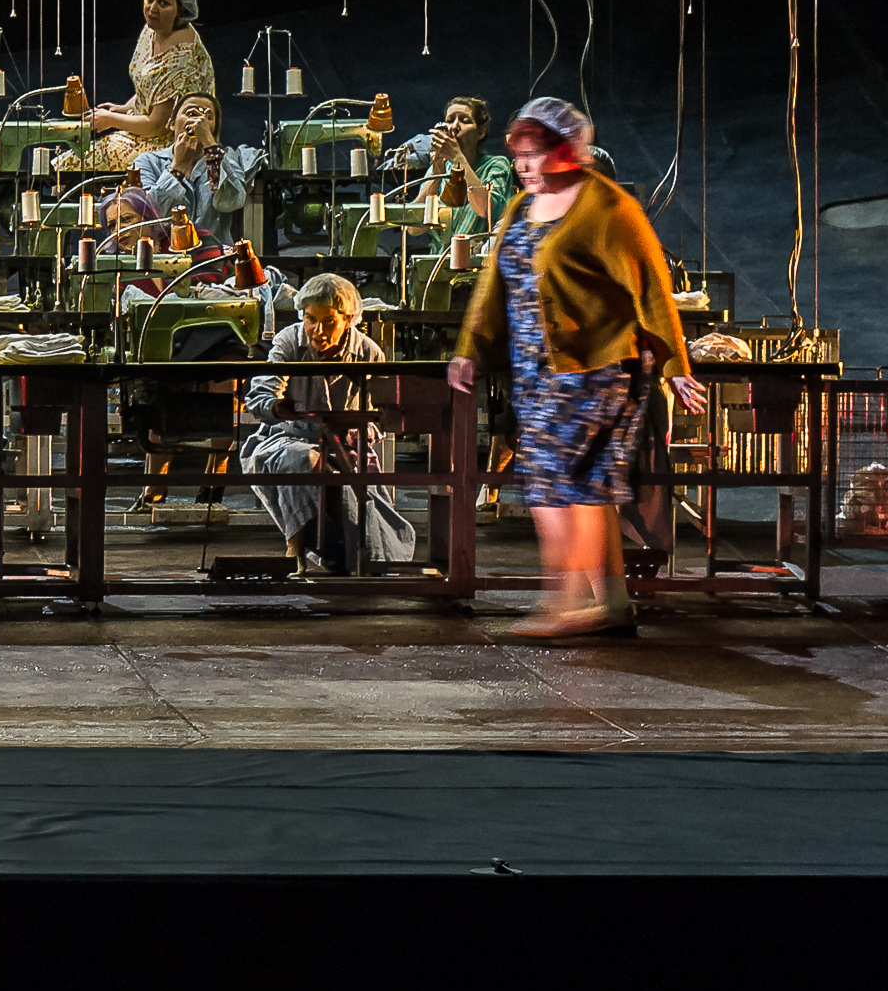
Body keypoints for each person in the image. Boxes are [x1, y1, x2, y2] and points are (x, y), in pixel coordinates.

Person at [447, 97, 703, 639]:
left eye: (535, 154)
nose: (525, 167)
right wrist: (471, 348)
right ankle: (610, 603)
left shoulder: (606, 208)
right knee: (583, 487)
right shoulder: (522, 208)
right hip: (538, 373)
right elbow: (494, 284)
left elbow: (651, 287)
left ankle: (563, 603)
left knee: (562, 485)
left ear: (565, 151)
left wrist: (675, 365)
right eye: (519, 156)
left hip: (601, 366)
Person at [241, 274, 414, 575]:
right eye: (310, 319)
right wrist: (277, 407)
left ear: (348, 320)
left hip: (346, 445)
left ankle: (350, 552)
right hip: (288, 437)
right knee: (301, 460)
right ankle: (295, 548)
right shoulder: (289, 342)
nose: (316, 331)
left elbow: (382, 414)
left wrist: (363, 427)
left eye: (328, 322)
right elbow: (263, 391)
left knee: (369, 542)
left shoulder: (368, 353)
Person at [83, 0, 213, 169]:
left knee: (79, 163)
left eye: (164, 3)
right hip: (146, 131)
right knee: (81, 155)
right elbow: (150, 87)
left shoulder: (180, 59)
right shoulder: (153, 29)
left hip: (170, 145)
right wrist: (125, 108)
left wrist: (111, 120)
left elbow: (157, 126)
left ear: (180, 9)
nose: (152, 8)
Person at [133, 95, 253, 236]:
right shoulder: (147, 162)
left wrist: (209, 144)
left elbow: (230, 202)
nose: (198, 121)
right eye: (190, 113)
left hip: (212, 255)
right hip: (163, 255)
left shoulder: (228, 163)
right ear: (172, 123)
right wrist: (178, 167)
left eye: (207, 118)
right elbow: (148, 214)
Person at [415, 95, 519, 226]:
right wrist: (436, 175)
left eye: (464, 121)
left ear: (481, 133)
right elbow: (414, 228)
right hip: (443, 247)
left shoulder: (495, 165)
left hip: (482, 246)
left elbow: (486, 210)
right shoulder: (438, 170)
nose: (454, 127)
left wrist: (458, 159)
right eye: (450, 120)